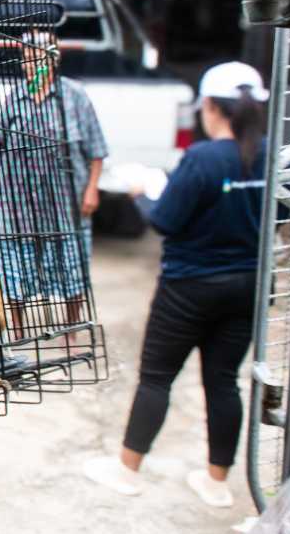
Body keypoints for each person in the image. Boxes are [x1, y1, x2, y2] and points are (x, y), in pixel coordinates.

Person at [84, 61, 269, 508]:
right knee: (224, 381)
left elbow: (166, 220)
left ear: (209, 106)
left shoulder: (203, 158)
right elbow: (275, 214)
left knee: (157, 378)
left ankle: (127, 470)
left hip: (189, 287)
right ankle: (216, 482)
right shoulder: (267, 153)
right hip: (245, 285)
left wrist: (144, 192)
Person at [0, 36, 107, 333]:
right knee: (12, 263)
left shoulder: (75, 97)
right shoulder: (15, 97)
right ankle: (15, 326)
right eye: (26, 57)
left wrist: (92, 188)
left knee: (71, 262)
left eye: (35, 57)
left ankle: (71, 326)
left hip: (65, 200)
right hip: (17, 201)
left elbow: (97, 148)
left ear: (51, 60)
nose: (29, 64)